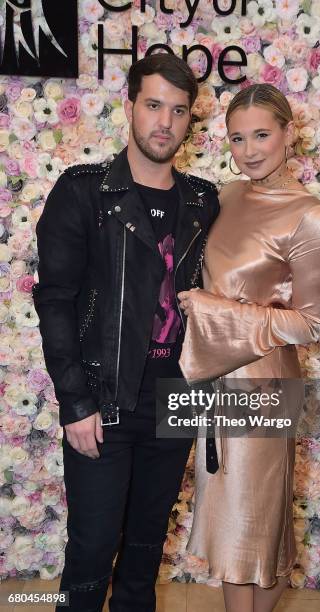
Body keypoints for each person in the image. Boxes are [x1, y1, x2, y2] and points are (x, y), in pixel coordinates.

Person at [33, 54, 219, 612]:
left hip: (175, 404)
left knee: (143, 555)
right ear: (130, 107)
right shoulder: (84, 192)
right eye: (153, 105)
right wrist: (74, 401)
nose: (165, 121)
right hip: (104, 404)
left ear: (191, 120)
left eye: (179, 110)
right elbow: (56, 300)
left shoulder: (205, 202)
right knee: (90, 558)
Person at [177, 84, 320, 612]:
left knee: (252, 518)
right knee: (231, 522)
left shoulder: (308, 215)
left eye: (262, 135)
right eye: (237, 138)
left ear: (290, 134)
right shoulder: (224, 196)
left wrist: (214, 311)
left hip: (264, 380)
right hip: (214, 378)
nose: (248, 150)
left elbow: (310, 324)